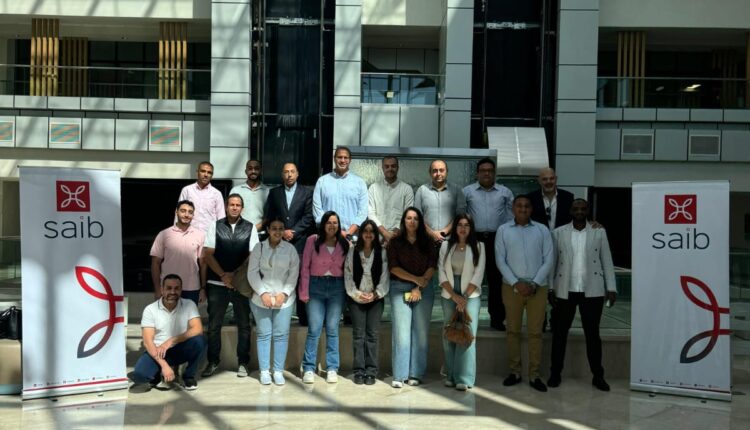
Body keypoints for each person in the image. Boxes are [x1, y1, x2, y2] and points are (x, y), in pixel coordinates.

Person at [548, 199, 617, 392]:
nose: (579, 211)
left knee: (593, 335)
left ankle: (598, 376)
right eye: (576, 208)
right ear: (570, 211)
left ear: (588, 211)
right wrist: (551, 288)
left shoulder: (599, 231)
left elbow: (607, 260)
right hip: (565, 289)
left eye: (583, 208)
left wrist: (611, 287)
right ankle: (555, 373)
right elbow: (553, 263)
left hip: (592, 290)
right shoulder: (559, 232)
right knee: (559, 334)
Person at [495, 195, 554, 392]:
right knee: (513, 331)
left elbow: (549, 259)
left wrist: (535, 283)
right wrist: (516, 283)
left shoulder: (542, 230)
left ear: (531, 209)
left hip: (538, 287)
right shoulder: (503, 230)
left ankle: (534, 375)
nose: (523, 209)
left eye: (527, 206)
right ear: (513, 208)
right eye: (519, 206)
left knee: (536, 332)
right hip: (512, 287)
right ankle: (515, 372)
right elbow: (500, 260)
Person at [200, 194, 259, 378]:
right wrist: (223, 275)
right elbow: (208, 254)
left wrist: (235, 275)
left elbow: (253, 254)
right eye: (231, 204)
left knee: (244, 325)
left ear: (242, 208)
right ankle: (213, 361)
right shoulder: (215, 225)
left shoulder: (250, 227)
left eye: (238, 205)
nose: (234, 207)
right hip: (217, 283)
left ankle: (243, 362)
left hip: (240, 284)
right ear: (226, 206)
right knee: (214, 326)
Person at [387, 207, 437, 388]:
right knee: (402, 333)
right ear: (403, 221)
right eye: (409, 218)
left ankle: (415, 373)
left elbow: (432, 265)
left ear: (420, 222)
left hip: (424, 289)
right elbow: (393, 268)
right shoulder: (395, 242)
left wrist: (419, 286)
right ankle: (400, 375)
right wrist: (416, 280)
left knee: (420, 333)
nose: (412, 221)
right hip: (399, 288)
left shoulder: (428, 242)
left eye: (415, 218)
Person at [130, 274, 206, 392]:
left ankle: (189, 377)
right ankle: (156, 376)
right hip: (158, 351)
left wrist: (170, 341)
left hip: (180, 349)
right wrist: (164, 365)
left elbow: (198, 329)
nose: (173, 292)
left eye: (176, 288)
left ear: (181, 290)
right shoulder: (150, 309)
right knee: (140, 376)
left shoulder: (189, 304)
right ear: (162, 290)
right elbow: (148, 342)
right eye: (169, 288)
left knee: (199, 340)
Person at [248, 217, 301, 386]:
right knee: (264, 334)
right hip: (260, 299)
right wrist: (263, 293)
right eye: (274, 228)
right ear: (268, 230)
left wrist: (284, 294)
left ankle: (278, 371)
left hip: (284, 300)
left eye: (280, 228)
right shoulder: (259, 247)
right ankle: (264, 371)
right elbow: (252, 273)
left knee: (281, 335)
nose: (277, 231)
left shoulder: (290, 249)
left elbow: (294, 274)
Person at [463, 157, 513, 331]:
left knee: (496, 280)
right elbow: (461, 215)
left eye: (490, 171)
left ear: (494, 173)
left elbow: (510, 218)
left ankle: (497, 319)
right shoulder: (467, 192)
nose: (486, 173)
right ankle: (465, 317)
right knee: (469, 278)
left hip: (496, 238)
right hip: (474, 239)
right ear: (477, 173)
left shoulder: (505, 192)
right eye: (483, 171)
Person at [299, 211, 349, 384]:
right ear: (323, 224)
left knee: (333, 329)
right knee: (314, 329)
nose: (332, 226)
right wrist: (304, 292)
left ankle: (332, 368)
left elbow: (348, 270)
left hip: (337, 288)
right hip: (315, 287)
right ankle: (308, 368)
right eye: (328, 222)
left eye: (335, 222)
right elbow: (305, 267)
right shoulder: (312, 240)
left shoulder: (345, 243)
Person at [264, 162, 316, 326]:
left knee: (300, 278)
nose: (289, 175)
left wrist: (293, 231)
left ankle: (302, 317)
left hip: (299, 243)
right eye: (286, 172)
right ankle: (279, 314)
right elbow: (270, 215)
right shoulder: (274, 193)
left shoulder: (307, 192)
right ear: (282, 175)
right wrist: (282, 231)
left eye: (292, 171)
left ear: (297, 174)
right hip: (278, 242)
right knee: (280, 276)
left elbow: (309, 216)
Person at [438, 214, 485, 391]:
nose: (463, 228)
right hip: (449, 292)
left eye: (466, 225)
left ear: (471, 228)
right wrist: (454, 295)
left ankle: (464, 377)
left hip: (470, 294)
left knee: (467, 332)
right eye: (459, 225)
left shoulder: (479, 246)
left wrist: (464, 297)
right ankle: (450, 375)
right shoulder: (445, 246)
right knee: (449, 331)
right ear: (455, 227)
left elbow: (479, 274)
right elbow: (441, 271)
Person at [344, 219, 389, 385]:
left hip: (375, 300)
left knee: (372, 335)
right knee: (358, 335)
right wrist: (357, 294)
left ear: (375, 234)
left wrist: (375, 294)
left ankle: (371, 371)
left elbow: (385, 277)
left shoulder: (382, 252)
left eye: (371, 231)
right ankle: (359, 370)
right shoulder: (352, 251)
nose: (368, 234)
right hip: (356, 299)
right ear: (361, 233)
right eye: (365, 231)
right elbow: (348, 275)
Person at [150, 200, 205, 305]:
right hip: (168, 287)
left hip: (191, 288)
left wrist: (203, 289)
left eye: (190, 212)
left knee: (189, 316)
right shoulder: (164, 234)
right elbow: (155, 263)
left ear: (193, 215)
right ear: (176, 212)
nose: (186, 214)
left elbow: (203, 264)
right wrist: (157, 289)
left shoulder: (200, 235)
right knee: (167, 316)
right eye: (183, 211)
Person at [313, 146, 368, 238]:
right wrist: (335, 232)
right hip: (328, 237)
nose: (343, 160)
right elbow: (317, 212)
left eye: (346, 157)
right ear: (334, 158)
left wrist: (349, 233)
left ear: (350, 160)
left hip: (352, 237)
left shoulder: (359, 182)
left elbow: (363, 211)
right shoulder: (322, 181)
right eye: (339, 157)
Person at [415, 160, 466, 244]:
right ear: (430, 173)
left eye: (441, 170)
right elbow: (417, 217)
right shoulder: (422, 190)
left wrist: (445, 231)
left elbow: (460, 215)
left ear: (447, 172)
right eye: (435, 170)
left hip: (451, 241)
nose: (438, 173)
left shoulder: (457, 190)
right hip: (427, 241)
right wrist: (432, 233)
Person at [367, 156, 414, 246]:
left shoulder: (407, 189)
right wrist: (385, 233)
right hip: (378, 237)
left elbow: (408, 214)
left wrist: (395, 233)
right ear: (382, 168)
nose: (390, 169)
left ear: (398, 167)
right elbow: (370, 214)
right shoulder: (373, 188)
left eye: (393, 166)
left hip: (399, 236)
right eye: (387, 166)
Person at [177, 161, 225, 233]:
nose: (206, 175)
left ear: (212, 175)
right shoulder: (187, 190)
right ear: (197, 172)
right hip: (188, 234)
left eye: (209, 172)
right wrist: (176, 232)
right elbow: (179, 212)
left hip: (209, 236)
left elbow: (221, 218)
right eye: (203, 171)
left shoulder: (217, 194)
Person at [230, 159, 269, 232]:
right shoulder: (236, 190)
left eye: (256, 168)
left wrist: (254, 229)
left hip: (261, 234)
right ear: (246, 171)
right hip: (240, 233)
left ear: (261, 171)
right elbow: (231, 213)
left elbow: (269, 216)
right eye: (250, 168)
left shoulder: (267, 191)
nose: (253, 171)